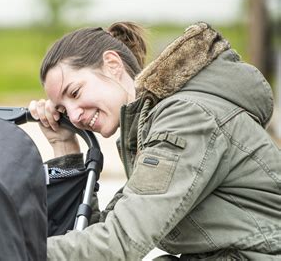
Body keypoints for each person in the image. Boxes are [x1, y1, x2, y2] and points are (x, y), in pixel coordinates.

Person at [29, 21, 280, 260]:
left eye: (75, 92)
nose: (73, 115)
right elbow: (94, 236)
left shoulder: (185, 119)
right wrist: (64, 146)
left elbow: (119, 244)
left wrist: (13, 253)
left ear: (112, 64)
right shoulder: (150, 129)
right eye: (62, 108)